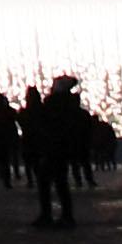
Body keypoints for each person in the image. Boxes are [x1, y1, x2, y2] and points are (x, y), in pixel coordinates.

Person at [27, 74, 86, 228]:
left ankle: (49, 215)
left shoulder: (53, 104)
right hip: (63, 147)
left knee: (46, 181)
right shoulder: (70, 105)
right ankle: (65, 215)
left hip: (53, 147)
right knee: (60, 182)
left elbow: (45, 124)